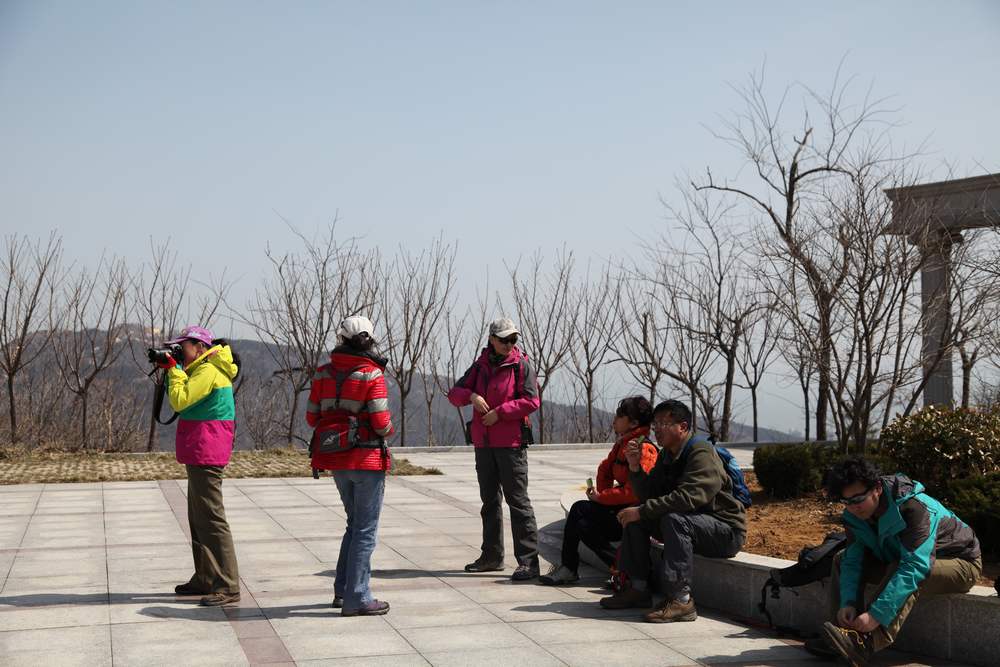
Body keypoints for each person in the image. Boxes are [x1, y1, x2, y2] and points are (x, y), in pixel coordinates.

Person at [806, 457, 981, 666]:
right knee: (841, 559)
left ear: (877, 488)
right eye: (846, 502)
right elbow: (853, 561)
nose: (853, 508)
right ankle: (841, 636)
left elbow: (914, 566)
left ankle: (865, 642)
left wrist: (875, 615)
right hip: (903, 558)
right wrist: (848, 604)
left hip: (960, 563)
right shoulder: (853, 517)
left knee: (903, 566)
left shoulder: (915, 508)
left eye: (858, 499)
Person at [600, 399, 746, 622]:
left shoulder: (701, 453)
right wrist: (634, 467)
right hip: (694, 523)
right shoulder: (667, 454)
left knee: (673, 519)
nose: (657, 429)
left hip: (724, 530)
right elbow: (650, 494)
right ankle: (638, 588)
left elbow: (689, 497)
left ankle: (682, 600)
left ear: (683, 427)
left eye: (664, 424)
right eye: (656, 423)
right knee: (636, 519)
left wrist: (644, 510)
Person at [307, 315, 395, 616]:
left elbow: (311, 417)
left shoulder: (322, 373)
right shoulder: (372, 374)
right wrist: (387, 430)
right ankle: (358, 596)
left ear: (340, 339)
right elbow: (382, 423)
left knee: (353, 524)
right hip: (367, 460)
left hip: (335, 459)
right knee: (365, 530)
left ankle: (342, 590)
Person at [448, 317, 541, 581]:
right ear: (491, 339)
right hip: (484, 445)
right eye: (504, 340)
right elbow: (455, 394)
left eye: (513, 339)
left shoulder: (521, 366)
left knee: (518, 502)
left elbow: (532, 401)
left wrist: (500, 413)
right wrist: (472, 397)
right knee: (489, 503)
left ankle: (528, 562)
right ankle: (491, 557)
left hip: (511, 445)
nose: (509, 344)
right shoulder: (479, 366)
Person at [157, 325, 241, 607]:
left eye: (184, 346)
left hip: (208, 450)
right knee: (198, 517)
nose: (180, 351)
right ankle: (205, 576)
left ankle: (227, 584)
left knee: (212, 519)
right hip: (200, 449)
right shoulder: (201, 369)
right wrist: (175, 368)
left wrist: (172, 370)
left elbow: (180, 400)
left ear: (200, 347)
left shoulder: (208, 371)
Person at [539, 396, 659, 585]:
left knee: (580, 513)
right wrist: (601, 497)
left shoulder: (644, 449)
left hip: (636, 514)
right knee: (581, 518)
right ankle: (616, 566)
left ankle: (585, 567)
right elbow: (605, 469)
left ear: (634, 422)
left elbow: (634, 492)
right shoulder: (623, 444)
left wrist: (602, 498)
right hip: (620, 509)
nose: (615, 420)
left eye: (620, 416)